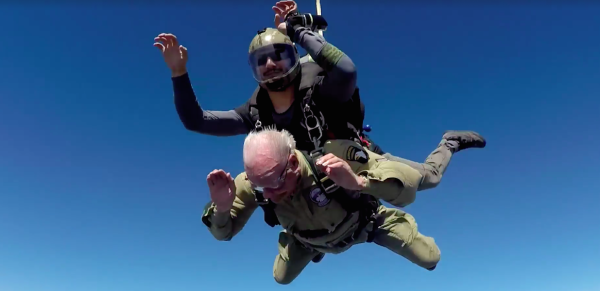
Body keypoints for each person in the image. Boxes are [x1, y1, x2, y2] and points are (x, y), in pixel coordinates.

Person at [153, 1, 486, 192]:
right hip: (310, 183)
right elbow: (195, 120)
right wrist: (178, 73)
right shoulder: (254, 112)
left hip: (357, 160)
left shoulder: (320, 91)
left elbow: (346, 71)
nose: (270, 65)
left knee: (429, 179)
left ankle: (449, 143)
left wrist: (295, 30)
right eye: (261, 61)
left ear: (294, 57)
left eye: (278, 57)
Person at [201, 128, 441, 285]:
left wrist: (358, 182)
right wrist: (222, 208)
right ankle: (312, 249)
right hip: (308, 240)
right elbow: (224, 233)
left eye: (275, 182)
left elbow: (407, 189)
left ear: (293, 162)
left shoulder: (335, 155)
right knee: (280, 278)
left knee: (430, 257)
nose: (270, 195)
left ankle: (449, 143)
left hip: (364, 224)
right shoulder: (255, 182)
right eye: (260, 186)